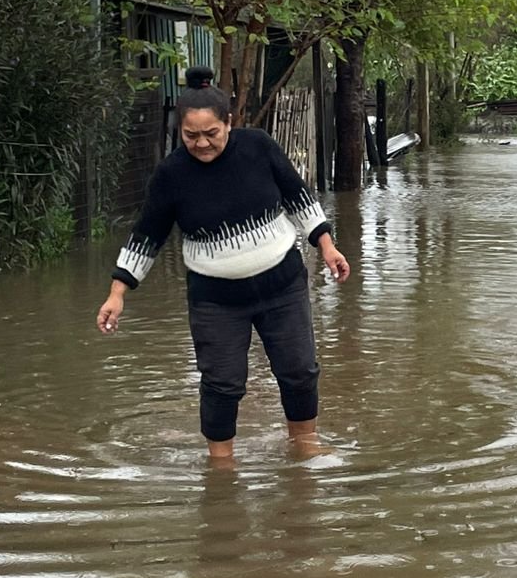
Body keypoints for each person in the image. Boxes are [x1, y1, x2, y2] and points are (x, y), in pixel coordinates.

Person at [96, 67, 351, 462]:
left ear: (229, 122)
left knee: (299, 371)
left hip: (282, 287)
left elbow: (298, 196)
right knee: (222, 383)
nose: (201, 143)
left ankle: (305, 445)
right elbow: (147, 234)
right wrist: (117, 293)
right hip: (215, 301)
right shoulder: (171, 175)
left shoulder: (258, 147)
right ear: (179, 130)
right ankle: (221, 464)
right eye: (190, 135)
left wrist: (327, 246)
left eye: (211, 133)